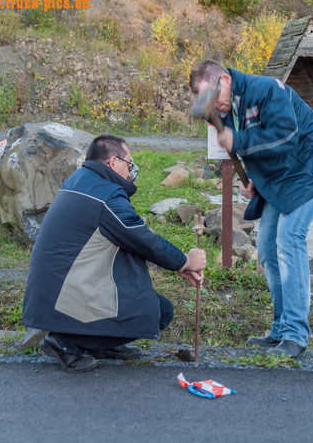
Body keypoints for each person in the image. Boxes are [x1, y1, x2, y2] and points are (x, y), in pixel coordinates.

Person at [189, 61, 313, 359]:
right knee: (266, 247)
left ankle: (295, 335)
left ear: (225, 79)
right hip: (283, 178)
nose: (215, 106)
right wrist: (253, 179)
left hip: (311, 169)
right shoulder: (230, 108)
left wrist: (237, 140)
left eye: (214, 98)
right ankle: (280, 330)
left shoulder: (266, 89)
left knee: (289, 239)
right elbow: (259, 147)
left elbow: (285, 137)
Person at [22, 134, 206, 373]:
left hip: (55, 288)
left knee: (141, 297)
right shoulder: (106, 194)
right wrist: (185, 261)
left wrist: (179, 265)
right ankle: (67, 343)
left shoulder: (79, 180)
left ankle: (101, 344)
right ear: (112, 162)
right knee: (159, 311)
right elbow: (143, 239)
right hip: (68, 291)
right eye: (128, 164)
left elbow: (130, 235)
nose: (130, 171)